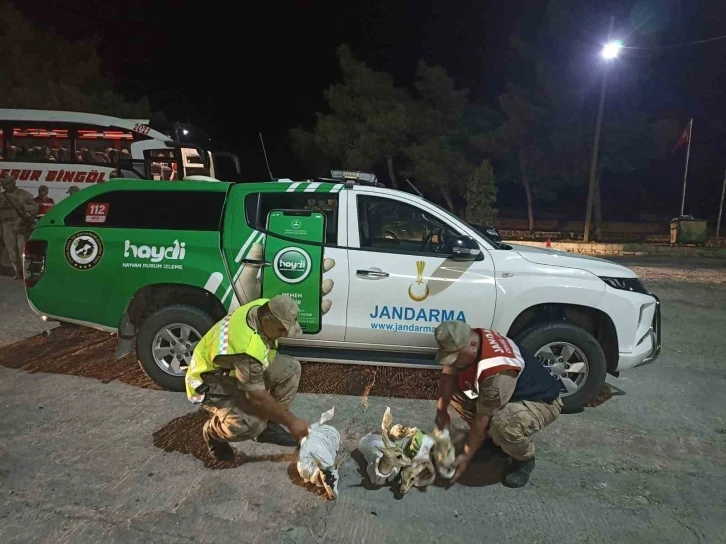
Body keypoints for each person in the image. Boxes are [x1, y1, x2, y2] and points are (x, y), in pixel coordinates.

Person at [433, 320, 562, 488]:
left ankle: (524, 459)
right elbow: (448, 374)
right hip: (504, 395)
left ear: (472, 345)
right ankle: (493, 441)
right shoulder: (471, 337)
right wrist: (441, 411)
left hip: (540, 402)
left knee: (503, 424)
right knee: (457, 395)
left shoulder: (496, 371)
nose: (453, 360)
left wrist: (465, 457)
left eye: (456, 356)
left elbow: (482, 417)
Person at [185, 294, 311, 461]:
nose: (285, 334)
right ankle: (213, 432)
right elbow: (257, 396)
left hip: (238, 371)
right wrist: (292, 422)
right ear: (266, 319)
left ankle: (269, 425)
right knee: (251, 425)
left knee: (291, 368)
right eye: (281, 329)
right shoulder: (246, 347)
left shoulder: (263, 306)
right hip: (210, 382)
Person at [0, 175, 38, 279]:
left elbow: (35, 208)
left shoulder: (23, 195)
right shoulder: (2, 197)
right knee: (11, 249)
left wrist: (24, 206)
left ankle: (26, 270)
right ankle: (18, 271)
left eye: (6, 184)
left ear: (13, 183)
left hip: (20, 223)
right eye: (3, 184)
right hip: (6, 224)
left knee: (22, 249)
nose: (4, 187)